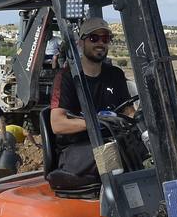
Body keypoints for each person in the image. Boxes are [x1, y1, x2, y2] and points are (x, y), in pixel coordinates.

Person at [48, 16, 130, 186]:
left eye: (105, 39)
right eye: (94, 38)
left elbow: (128, 111)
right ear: (81, 42)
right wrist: (96, 122)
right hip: (76, 149)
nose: (100, 43)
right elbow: (57, 124)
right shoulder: (67, 78)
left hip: (109, 141)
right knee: (113, 154)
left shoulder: (115, 75)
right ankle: (118, 205)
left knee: (143, 149)